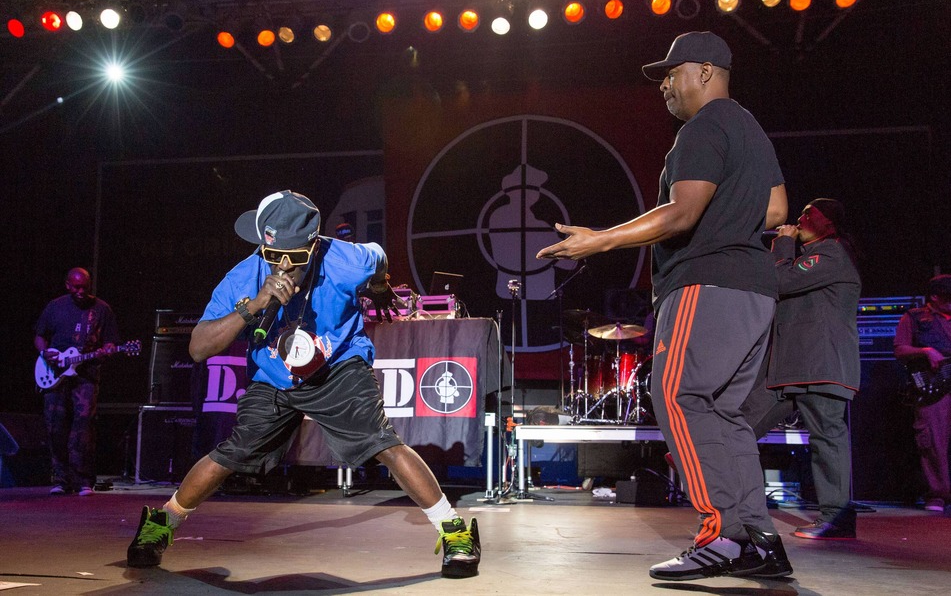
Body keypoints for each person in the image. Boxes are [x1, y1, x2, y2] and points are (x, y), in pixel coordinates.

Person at [537, 31, 792, 581]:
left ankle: (721, 535)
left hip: (706, 284)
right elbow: (775, 211)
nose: (664, 88)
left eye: (671, 75)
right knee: (727, 417)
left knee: (676, 394)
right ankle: (758, 540)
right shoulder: (751, 130)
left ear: (704, 72)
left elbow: (680, 214)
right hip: (753, 290)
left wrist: (598, 239)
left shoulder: (703, 128)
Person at [126, 190, 481, 579]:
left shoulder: (346, 260)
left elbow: (378, 257)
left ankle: (455, 532)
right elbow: (198, 348)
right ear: (263, 243)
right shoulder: (244, 277)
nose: (282, 265)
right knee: (234, 452)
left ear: (314, 243)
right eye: (273, 254)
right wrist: (254, 305)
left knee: (382, 442)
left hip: (338, 366)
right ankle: (161, 524)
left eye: (294, 256)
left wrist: (379, 286)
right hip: (274, 376)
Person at [741, 199, 862, 539]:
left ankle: (836, 518)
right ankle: (701, 463)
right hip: (792, 368)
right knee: (744, 422)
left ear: (830, 224)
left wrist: (783, 243)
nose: (801, 216)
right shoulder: (813, 255)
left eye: (811, 213)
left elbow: (781, 280)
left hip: (820, 366)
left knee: (827, 438)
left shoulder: (832, 253)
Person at [34, 267, 119, 496]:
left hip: (86, 374)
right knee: (54, 425)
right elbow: (39, 335)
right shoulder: (55, 306)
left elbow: (111, 341)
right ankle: (61, 479)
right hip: (54, 373)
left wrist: (109, 349)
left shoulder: (101, 310)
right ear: (68, 285)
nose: (81, 291)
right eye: (76, 287)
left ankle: (83, 480)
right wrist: (45, 353)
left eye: (85, 287)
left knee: (83, 425)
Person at [894, 274, 951, 513]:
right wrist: (926, 351)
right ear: (935, 297)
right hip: (934, 388)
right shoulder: (915, 318)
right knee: (933, 441)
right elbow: (900, 349)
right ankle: (938, 494)